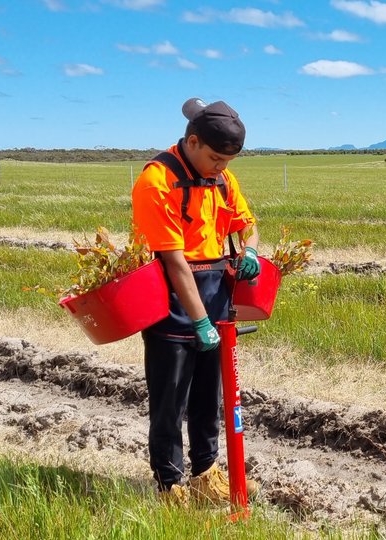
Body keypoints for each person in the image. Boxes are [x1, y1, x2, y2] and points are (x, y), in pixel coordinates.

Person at [131, 97, 262, 504]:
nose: (221, 168)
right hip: (171, 296)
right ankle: (170, 485)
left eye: (228, 161)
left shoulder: (223, 178)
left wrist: (251, 250)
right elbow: (173, 261)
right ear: (191, 142)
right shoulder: (157, 181)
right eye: (215, 158)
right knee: (170, 398)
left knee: (210, 397)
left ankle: (206, 474)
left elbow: (247, 226)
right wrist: (198, 320)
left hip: (215, 294)